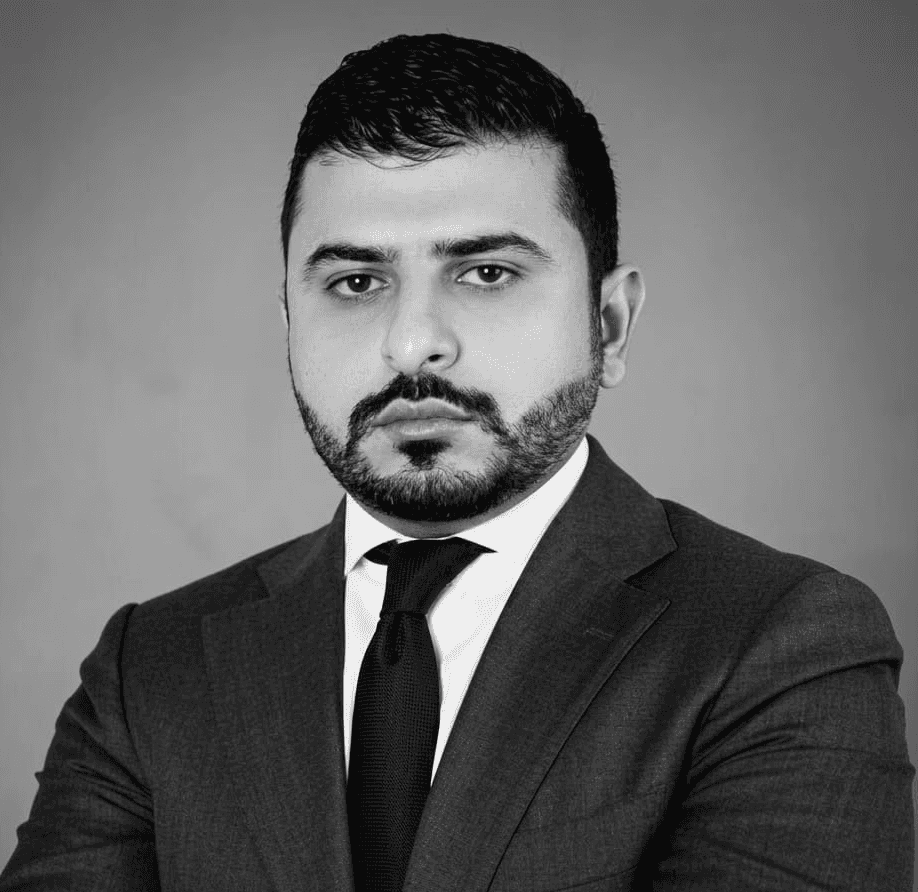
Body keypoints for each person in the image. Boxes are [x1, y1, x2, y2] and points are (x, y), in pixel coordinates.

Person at [1, 32, 913, 892]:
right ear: (289, 323)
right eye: (356, 282)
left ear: (608, 325)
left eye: (486, 273)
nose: (412, 343)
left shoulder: (780, 645)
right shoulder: (150, 669)